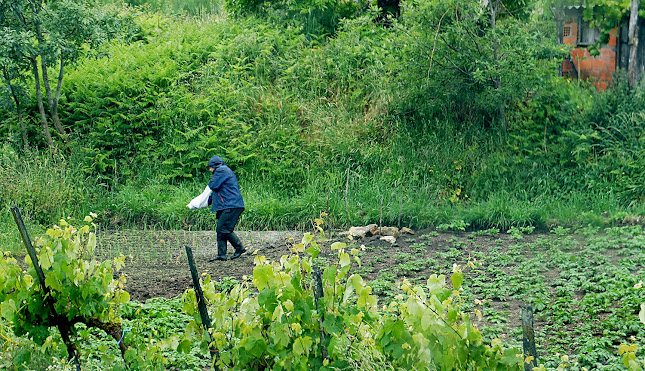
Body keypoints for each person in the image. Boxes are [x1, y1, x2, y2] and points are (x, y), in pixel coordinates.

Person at [206, 155, 246, 261]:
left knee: (224, 229)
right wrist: (202, 203)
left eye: (210, 167)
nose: (210, 170)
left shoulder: (222, 170)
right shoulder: (223, 171)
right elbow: (215, 193)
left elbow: (213, 185)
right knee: (221, 230)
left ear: (215, 165)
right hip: (228, 205)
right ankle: (221, 255)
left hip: (231, 205)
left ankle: (239, 248)